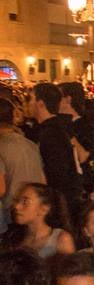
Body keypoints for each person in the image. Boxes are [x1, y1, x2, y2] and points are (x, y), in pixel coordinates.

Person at [28, 83, 83, 218]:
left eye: (30, 99)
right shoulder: (51, 129)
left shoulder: (53, 133)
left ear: (40, 104)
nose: (27, 103)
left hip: (59, 207)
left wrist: (51, 207)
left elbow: (58, 175)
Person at [0, 97, 45, 235]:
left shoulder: (1, 147)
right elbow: (43, 181)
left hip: (11, 216)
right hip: (34, 214)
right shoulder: (30, 145)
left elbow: (1, 189)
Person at [6, 183, 75, 257]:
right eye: (16, 201)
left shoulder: (61, 239)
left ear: (43, 209)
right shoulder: (13, 238)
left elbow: (71, 268)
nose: (16, 206)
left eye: (25, 202)